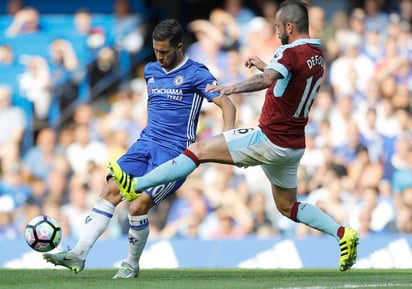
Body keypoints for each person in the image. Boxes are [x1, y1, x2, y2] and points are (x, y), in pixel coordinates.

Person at [110, 0, 359, 272]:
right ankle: (343, 233)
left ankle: (135, 184)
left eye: (278, 28)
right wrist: (266, 65)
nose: (276, 33)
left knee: (198, 151)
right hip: (293, 145)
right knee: (288, 207)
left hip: (268, 139)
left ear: (289, 26)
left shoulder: (287, 52)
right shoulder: (316, 51)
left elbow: (266, 81)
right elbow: (291, 78)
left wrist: (231, 88)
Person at [43, 19, 236, 278]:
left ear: (180, 47)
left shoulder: (197, 73)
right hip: (144, 144)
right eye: (156, 50)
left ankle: (131, 265)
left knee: (137, 206)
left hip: (175, 154)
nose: (160, 56)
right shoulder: (150, 70)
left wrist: (226, 141)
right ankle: (78, 254)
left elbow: (228, 106)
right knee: (111, 189)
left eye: (165, 51)